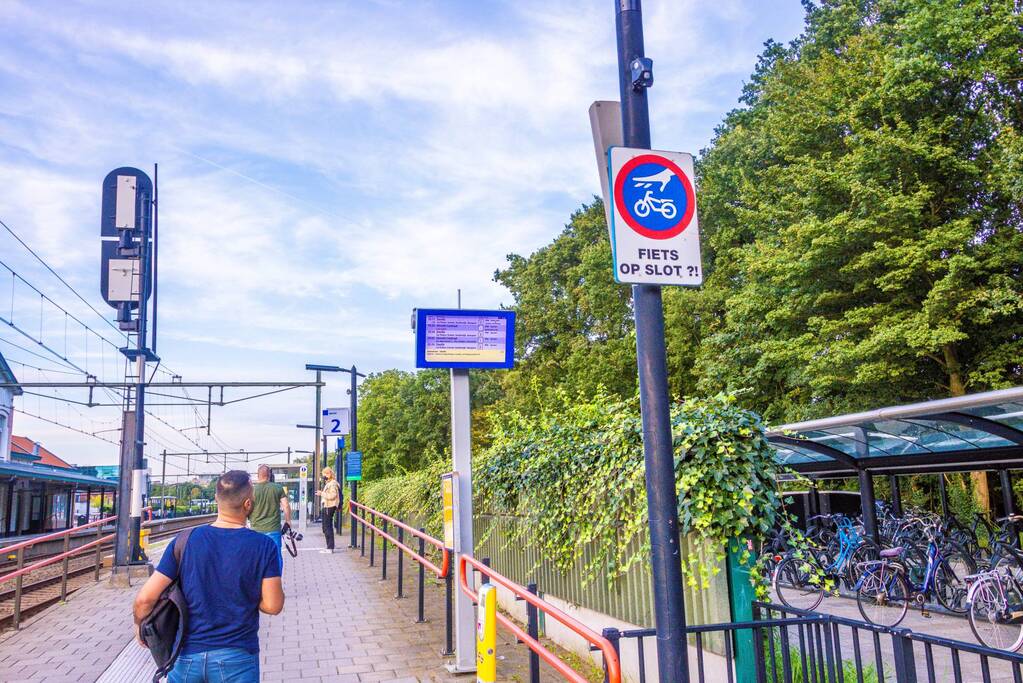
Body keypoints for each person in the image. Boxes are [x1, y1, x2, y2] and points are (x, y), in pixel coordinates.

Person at [133, 470, 285, 683]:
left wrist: (139, 625)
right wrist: (246, 593)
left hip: (186, 657)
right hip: (237, 658)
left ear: (216, 499)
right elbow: (273, 605)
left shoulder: (184, 540)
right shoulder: (264, 546)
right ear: (248, 504)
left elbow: (145, 599)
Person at [250, 464, 292, 561]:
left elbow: (246, 508)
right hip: (273, 529)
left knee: (258, 558)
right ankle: (277, 576)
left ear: (258, 475)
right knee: (276, 557)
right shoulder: (277, 488)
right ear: (269, 475)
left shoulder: (251, 490)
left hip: (256, 530)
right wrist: (288, 521)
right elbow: (286, 505)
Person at [314, 467, 342, 554]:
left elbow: (332, 495)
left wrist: (321, 493)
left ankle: (330, 548)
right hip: (327, 506)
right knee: (326, 527)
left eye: (325, 474)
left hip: (329, 506)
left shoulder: (332, 484)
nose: (324, 476)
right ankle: (329, 546)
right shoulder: (330, 483)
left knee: (327, 527)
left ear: (329, 474)